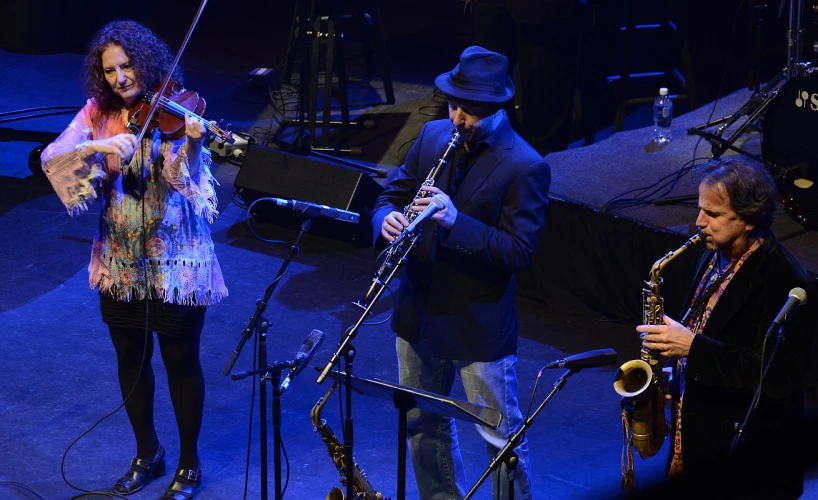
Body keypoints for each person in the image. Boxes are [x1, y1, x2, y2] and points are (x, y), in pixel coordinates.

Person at [40, 20, 227, 500]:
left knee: (181, 359)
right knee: (131, 356)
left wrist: (194, 141)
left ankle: (188, 464)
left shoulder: (178, 107)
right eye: (110, 71)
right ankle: (148, 453)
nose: (120, 79)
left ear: (147, 62)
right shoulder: (98, 113)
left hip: (178, 259)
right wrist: (97, 144)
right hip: (120, 260)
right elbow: (53, 157)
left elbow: (185, 179)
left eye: (127, 66)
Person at [372, 46, 551, 499]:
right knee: (422, 423)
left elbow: (519, 252)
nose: (457, 119)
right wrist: (386, 219)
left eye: (469, 112)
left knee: (499, 439)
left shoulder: (526, 165)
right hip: (418, 311)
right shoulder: (433, 135)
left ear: (496, 108)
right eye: (454, 106)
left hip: (476, 324)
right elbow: (388, 194)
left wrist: (456, 222)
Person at [637, 157, 816, 499]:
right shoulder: (713, 253)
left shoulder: (786, 281)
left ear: (749, 218)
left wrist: (693, 348)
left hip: (749, 459)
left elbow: (777, 378)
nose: (698, 222)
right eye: (700, 209)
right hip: (698, 438)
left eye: (713, 214)